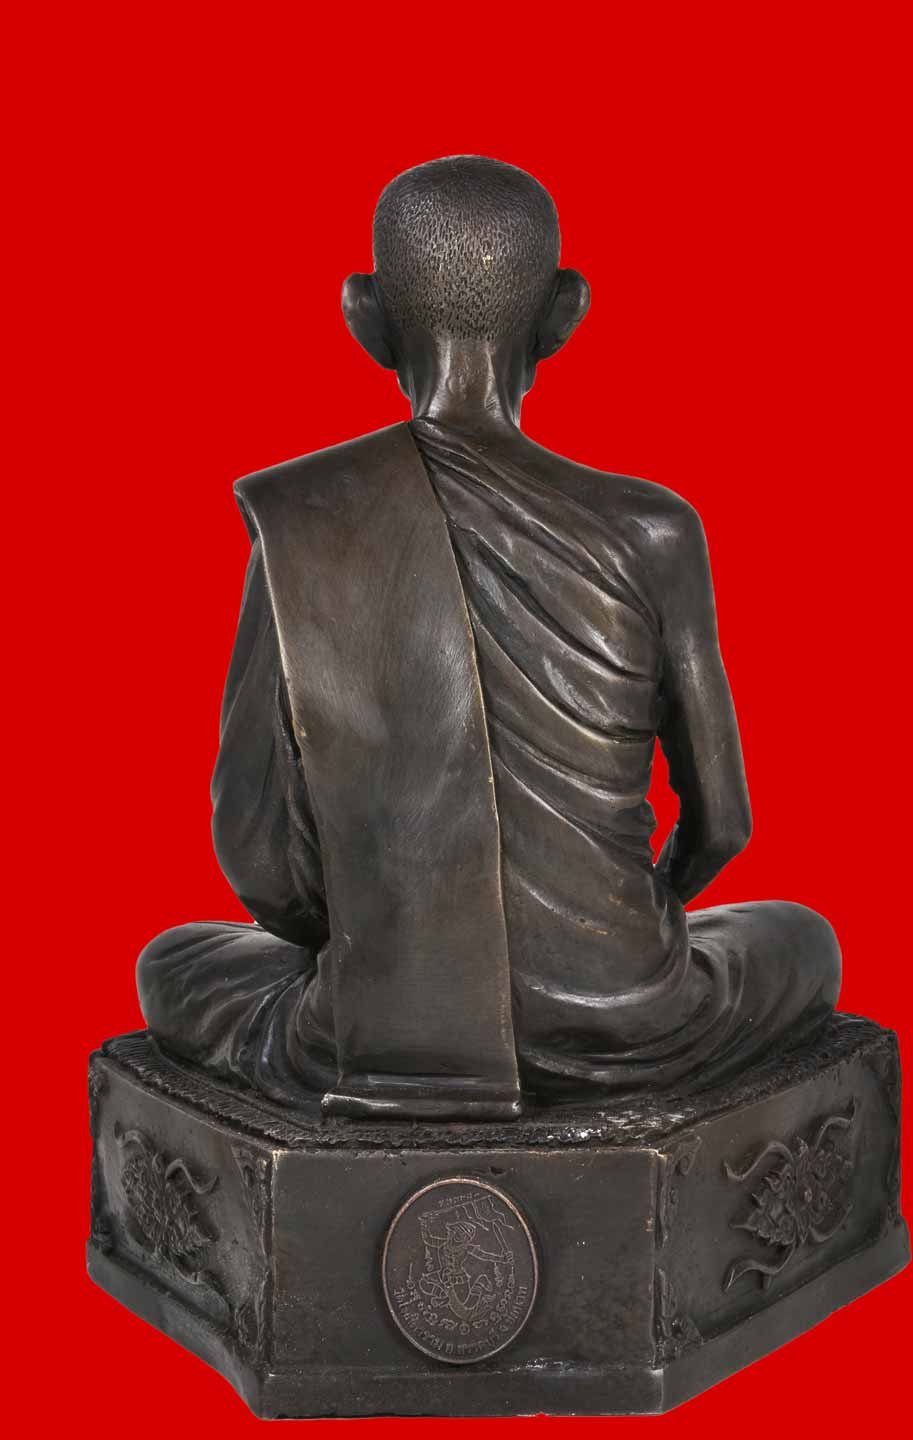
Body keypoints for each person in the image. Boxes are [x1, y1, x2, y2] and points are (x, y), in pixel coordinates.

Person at [138, 155, 840, 1119]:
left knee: (175, 961)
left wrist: (383, 938)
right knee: (800, 938)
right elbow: (724, 823)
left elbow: (256, 858)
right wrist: (624, 932)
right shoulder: (655, 530)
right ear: (564, 313)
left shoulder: (306, 521)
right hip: (631, 1018)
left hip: (382, 1022)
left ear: (363, 316)